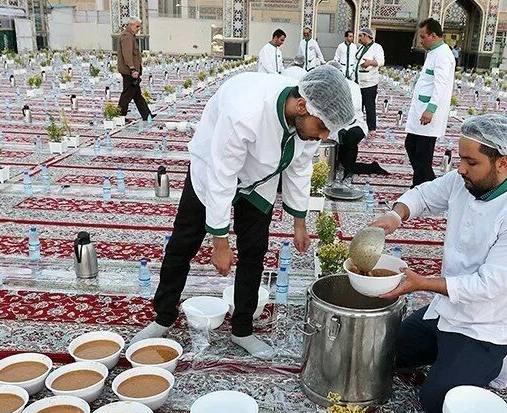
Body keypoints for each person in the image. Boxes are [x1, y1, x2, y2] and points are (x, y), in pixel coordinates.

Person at [131, 66, 354, 358]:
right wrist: (220, 242)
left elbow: (300, 167)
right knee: (183, 244)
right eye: (322, 128)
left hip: (259, 177)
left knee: (255, 251)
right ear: (301, 106)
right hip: (212, 170)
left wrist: (300, 221)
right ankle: (163, 317)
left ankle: (242, 329)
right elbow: (223, 176)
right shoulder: (245, 112)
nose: (322, 137)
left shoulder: (309, 118)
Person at [370, 114, 507, 413]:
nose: (461, 169)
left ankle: (492, 359)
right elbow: (426, 195)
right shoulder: (463, 180)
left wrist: (421, 283)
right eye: (460, 160)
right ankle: (453, 356)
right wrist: (396, 214)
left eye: (471, 162)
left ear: (502, 162)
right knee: (382, 354)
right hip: (448, 306)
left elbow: (488, 286)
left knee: (437, 403)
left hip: (487, 323)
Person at [405, 18, 455, 188]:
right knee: (411, 146)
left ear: (433, 35)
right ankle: (430, 184)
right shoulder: (434, 52)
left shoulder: (443, 55)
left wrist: (430, 109)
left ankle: (420, 188)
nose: (421, 40)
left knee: (422, 154)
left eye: (423, 36)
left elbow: (440, 85)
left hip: (429, 113)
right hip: (423, 110)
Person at [325, 61, 389, 181]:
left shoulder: (352, 86)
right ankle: (369, 167)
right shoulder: (327, 87)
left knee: (350, 138)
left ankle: (347, 174)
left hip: (353, 124)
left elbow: (350, 110)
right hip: (333, 125)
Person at [117, 17, 152, 121]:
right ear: (130, 25)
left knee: (136, 94)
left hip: (132, 71)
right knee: (127, 94)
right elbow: (127, 55)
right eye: (137, 26)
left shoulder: (130, 36)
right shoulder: (127, 37)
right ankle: (119, 116)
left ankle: (146, 115)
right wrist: (132, 69)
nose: (138, 28)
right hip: (129, 72)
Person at [355, 27, 385, 133]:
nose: (359, 38)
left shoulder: (377, 47)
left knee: (369, 105)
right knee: (358, 105)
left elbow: (381, 61)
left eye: (360, 36)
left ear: (367, 36)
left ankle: (371, 128)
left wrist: (370, 62)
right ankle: (359, 125)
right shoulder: (361, 48)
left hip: (369, 82)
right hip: (358, 81)